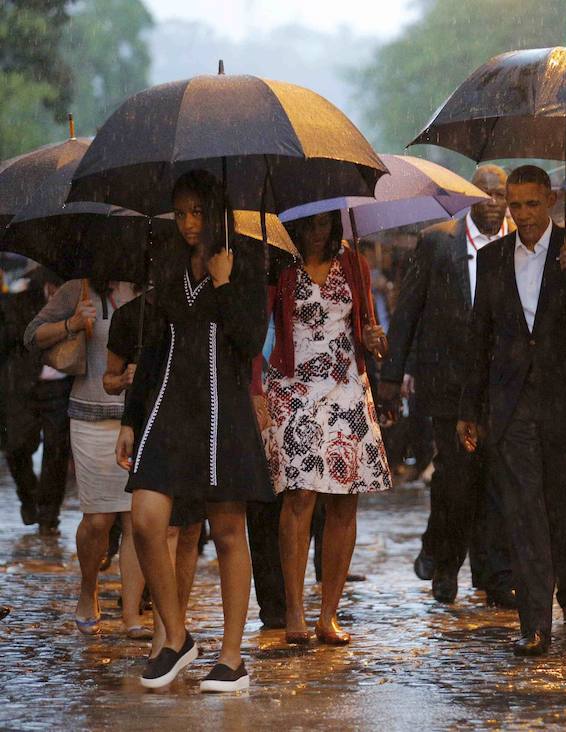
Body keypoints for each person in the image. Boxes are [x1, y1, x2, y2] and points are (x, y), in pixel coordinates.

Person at [116, 170, 272, 692]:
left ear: (216, 212)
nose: (187, 223)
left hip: (223, 410)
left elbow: (250, 341)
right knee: (145, 518)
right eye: (179, 213)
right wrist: (130, 421)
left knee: (229, 532)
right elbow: (153, 348)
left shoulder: (245, 260)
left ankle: (232, 657)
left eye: (197, 212)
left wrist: (226, 283)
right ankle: (177, 635)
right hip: (169, 408)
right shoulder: (168, 264)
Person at [457, 165, 566, 656]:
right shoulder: (493, 258)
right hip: (512, 405)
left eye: (531, 203)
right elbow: (479, 335)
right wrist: (471, 408)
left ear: (549, 200)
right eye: (514, 204)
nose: (523, 214)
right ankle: (535, 624)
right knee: (523, 513)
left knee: (563, 510)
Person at [252, 210, 391, 647]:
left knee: (344, 501)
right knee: (299, 496)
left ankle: (328, 613)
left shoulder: (354, 264)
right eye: (310, 222)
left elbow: (365, 329)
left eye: (326, 222)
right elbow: (259, 328)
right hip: (293, 386)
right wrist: (255, 388)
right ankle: (293, 609)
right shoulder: (279, 264)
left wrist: (373, 339)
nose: (318, 230)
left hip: (347, 383)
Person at [379, 164, 514, 607]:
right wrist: (391, 377)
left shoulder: (520, 244)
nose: (495, 204)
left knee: (494, 478)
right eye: (487, 195)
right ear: (471, 197)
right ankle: (445, 562)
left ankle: (492, 573)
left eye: (502, 195)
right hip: (447, 384)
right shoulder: (439, 242)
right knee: (457, 478)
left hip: (501, 385)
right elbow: (407, 313)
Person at [25, 272, 145, 638]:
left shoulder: (150, 287)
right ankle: (88, 589)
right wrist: (71, 323)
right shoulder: (79, 288)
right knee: (97, 521)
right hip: (90, 417)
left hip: (141, 417)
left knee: (135, 522)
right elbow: (32, 336)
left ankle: (131, 615)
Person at [104, 285, 205, 657]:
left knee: (191, 529)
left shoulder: (209, 300)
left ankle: (175, 626)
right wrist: (130, 415)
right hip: (154, 422)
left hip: (200, 420)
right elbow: (114, 377)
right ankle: (165, 635)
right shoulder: (133, 317)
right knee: (161, 527)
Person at [0, 265, 71, 535]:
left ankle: (49, 516)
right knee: (16, 447)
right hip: (23, 387)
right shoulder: (22, 297)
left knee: (56, 452)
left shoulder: (81, 296)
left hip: (61, 387)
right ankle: (28, 497)